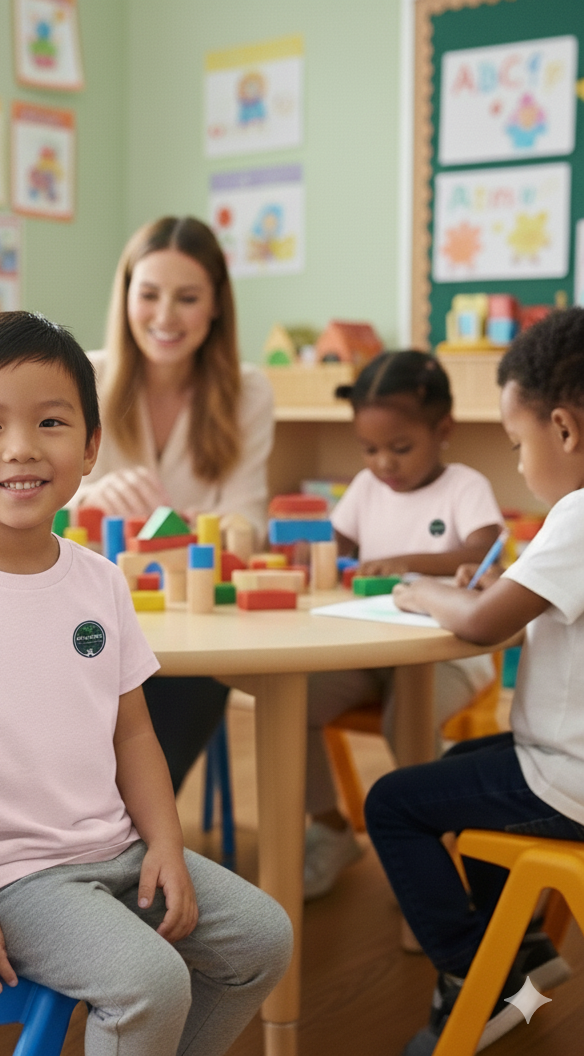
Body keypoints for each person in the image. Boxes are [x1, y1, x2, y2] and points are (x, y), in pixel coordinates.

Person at [0, 311, 292, 1056]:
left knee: (263, 940)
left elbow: (133, 731)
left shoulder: (100, 581)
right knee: (150, 982)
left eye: (50, 422)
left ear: (90, 447)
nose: (21, 447)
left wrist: (165, 842)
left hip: (111, 848)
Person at [365, 308, 584, 1055]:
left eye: (518, 442)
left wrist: (422, 591)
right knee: (458, 772)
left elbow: (485, 624)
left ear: (564, 429)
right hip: (559, 765)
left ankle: (474, 976)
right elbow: (515, 603)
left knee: (393, 803)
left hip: (569, 779)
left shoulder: (580, 514)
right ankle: (523, 951)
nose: (518, 463)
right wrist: (476, 587)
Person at [75, 216, 275, 792]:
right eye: (150, 295)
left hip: (187, 628)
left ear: (216, 306)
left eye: (187, 298)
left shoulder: (249, 391)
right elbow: (40, 506)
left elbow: (248, 520)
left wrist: (201, 530)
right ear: (126, 297)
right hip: (90, 615)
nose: (165, 317)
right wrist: (90, 496)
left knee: (188, 682)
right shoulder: (83, 375)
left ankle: (129, 847)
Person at [304, 351, 504, 899]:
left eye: (399, 448)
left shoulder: (464, 485)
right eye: (368, 450)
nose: (383, 465)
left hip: (450, 656)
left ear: (443, 430)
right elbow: (333, 544)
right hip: (370, 652)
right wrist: (312, 549)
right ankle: (329, 827)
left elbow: (485, 549)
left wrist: (407, 561)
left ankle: (432, 853)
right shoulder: (367, 489)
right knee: (294, 701)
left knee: (405, 723)